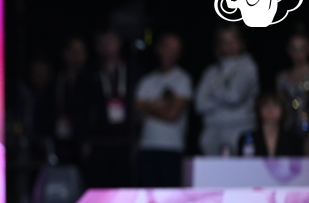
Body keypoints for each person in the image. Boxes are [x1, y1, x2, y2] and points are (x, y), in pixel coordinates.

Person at [77, 30, 136, 187]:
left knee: (124, 188)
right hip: (99, 142)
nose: (107, 46)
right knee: (99, 187)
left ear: (119, 43)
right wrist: (84, 139)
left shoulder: (130, 71)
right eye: (103, 42)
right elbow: (81, 109)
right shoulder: (88, 74)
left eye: (111, 42)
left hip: (125, 141)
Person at [135, 33, 193, 187]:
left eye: (176, 49)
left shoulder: (182, 79)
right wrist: (157, 107)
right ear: (158, 49)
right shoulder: (147, 81)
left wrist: (147, 107)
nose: (171, 52)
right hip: (147, 146)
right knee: (148, 196)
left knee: (171, 196)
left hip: (172, 148)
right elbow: (135, 113)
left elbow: (172, 115)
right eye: (168, 47)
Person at [195, 25, 259, 156]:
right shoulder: (211, 72)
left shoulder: (248, 67)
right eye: (224, 41)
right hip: (213, 128)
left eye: (233, 40)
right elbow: (200, 104)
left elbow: (234, 97)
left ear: (240, 42)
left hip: (240, 127)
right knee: (212, 172)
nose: (229, 45)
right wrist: (223, 100)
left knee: (238, 173)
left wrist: (212, 92)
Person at [51, 36, 87, 164]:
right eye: (73, 51)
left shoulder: (90, 80)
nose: (76, 56)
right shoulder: (56, 79)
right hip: (60, 138)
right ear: (65, 54)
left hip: (81, 141)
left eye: (80, 51)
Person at [238, 91, 303, 157]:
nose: (270, 109)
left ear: (283, 109)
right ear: (259, 109)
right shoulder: (247, 139)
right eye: (266, 105)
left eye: (275, 105)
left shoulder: (294, 141)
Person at [276, 33, 309, 145]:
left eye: (302, 48)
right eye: (294, 49)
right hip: (288, 128)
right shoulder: (282, 78)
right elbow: (280, 106)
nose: (298, 53)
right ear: (289, 50)